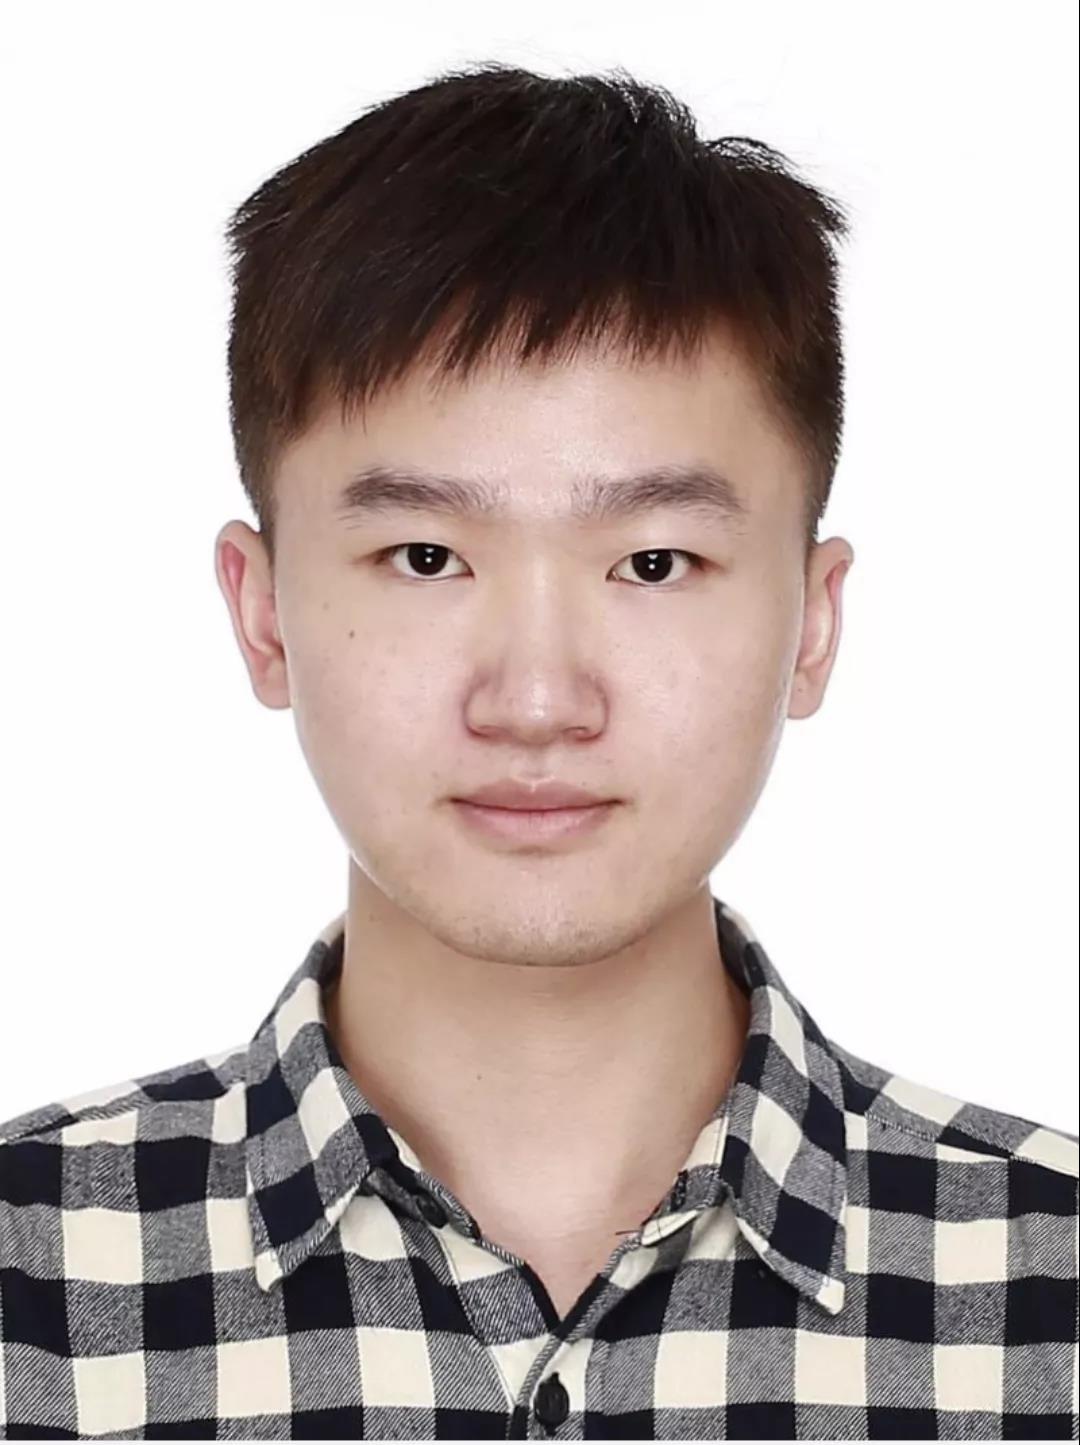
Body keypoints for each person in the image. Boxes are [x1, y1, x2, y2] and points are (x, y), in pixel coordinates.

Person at [1, 60, 1075, 1442]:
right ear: (262, 613)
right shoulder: (31, 1274)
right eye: (426, 555)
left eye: (652, 561)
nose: (537, 699)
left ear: (812, 624)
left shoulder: (1049, 1286)